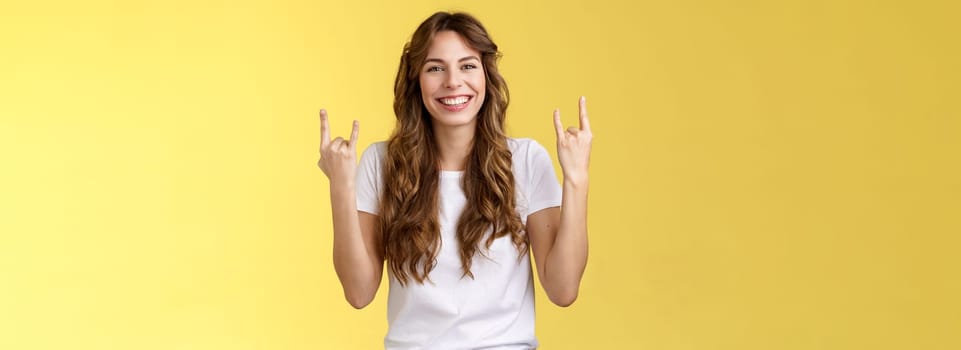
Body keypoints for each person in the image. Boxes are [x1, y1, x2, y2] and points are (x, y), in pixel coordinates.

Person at [317, 11, 592, 349]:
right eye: (435, 68)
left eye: (467, 66)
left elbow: (563, 290)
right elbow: (358, 292)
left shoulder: (526, 161)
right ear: (416, 79)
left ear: (486, 76)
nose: (452, 81)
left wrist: (576, 179)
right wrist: (340, 187)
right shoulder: (382, 163)